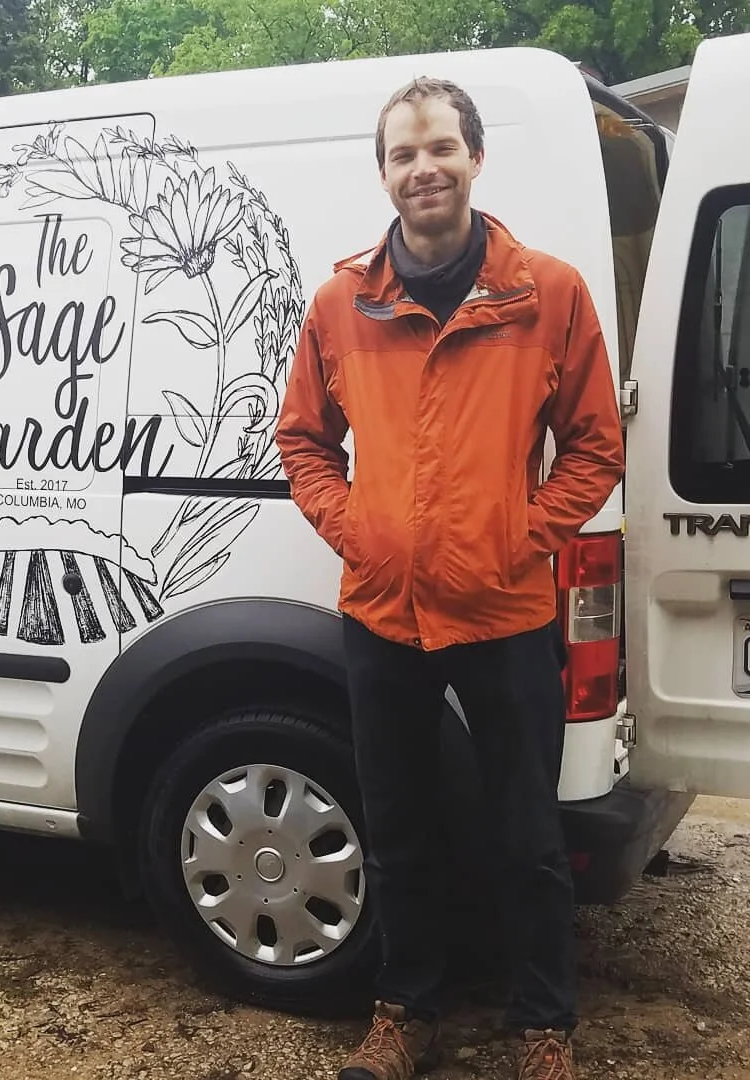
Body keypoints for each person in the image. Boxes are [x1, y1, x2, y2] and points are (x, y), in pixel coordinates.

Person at [273, 76, 625, 1080]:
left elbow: (596, 445)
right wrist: (357, 530)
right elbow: (303, 441)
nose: (422, 168)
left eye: (439, 148)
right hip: (382, 613)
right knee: (397, 829)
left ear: (474, 157)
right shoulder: (343, 304)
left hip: (505, 610)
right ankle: (404, 1013)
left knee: (528, 836)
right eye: (403, 153)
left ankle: (544, 1027)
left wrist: (525, 534)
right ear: (383, 173)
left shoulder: (547, 293)